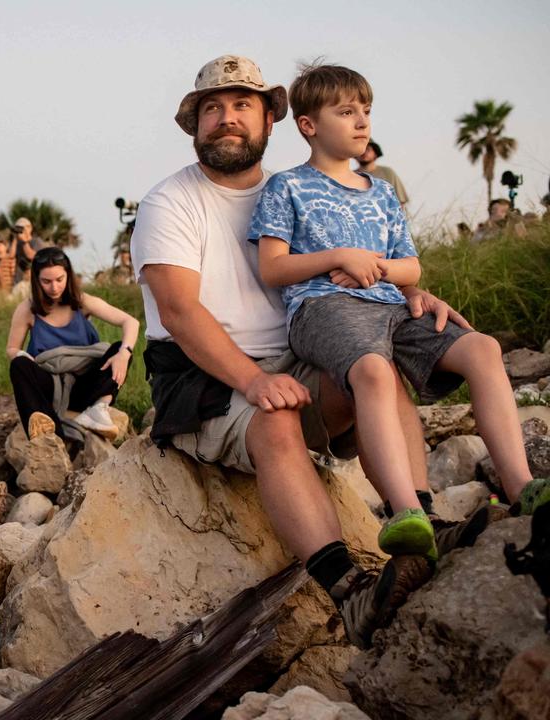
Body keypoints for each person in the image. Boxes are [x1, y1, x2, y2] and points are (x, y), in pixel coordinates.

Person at [131, 55, 479, 649]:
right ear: (196, 126)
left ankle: (417, 519)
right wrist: (252, 380)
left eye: (242, 106)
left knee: (377, 369)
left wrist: (413, 293)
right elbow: (180, 312)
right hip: (203, 373)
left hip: (300, 352)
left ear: (273, 118)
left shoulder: (298, 190)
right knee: (277, 422)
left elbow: (357, 257)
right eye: (212, 109)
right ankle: (348, 588)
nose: (226, 119)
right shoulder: (170, 203)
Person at [250, 63, 547, 544]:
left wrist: (378, 268)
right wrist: (340, 257)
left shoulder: (382, 192)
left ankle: (521, 487)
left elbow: (411, 267)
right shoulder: (288, 186)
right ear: (308, 125)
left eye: (366, 110)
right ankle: (407, 511)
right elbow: (273, 267)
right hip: (323, 307)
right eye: (345, 112)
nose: (362, 121)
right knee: (372, 370)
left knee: (483, 349)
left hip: (391, 302)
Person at [7, 247, 140, 447]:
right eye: (47, 281)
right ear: (36, 280)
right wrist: (24, 356)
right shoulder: (27, 309)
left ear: (68, 275)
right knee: (18, 365)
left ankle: (99, 408)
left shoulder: (82, 301)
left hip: (85, 386)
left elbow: (130, 322)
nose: (54, 287)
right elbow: (11, 348)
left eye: (60, 279)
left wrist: (124, 353)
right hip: (51, 385)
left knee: (121, 349)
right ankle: (52, 436)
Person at [355, 139, 409, 206]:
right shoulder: (350, 176)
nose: (364, 152)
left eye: (368, 149)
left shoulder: (388, 172)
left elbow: (400, 201)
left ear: (375, 153)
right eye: (361, 149)